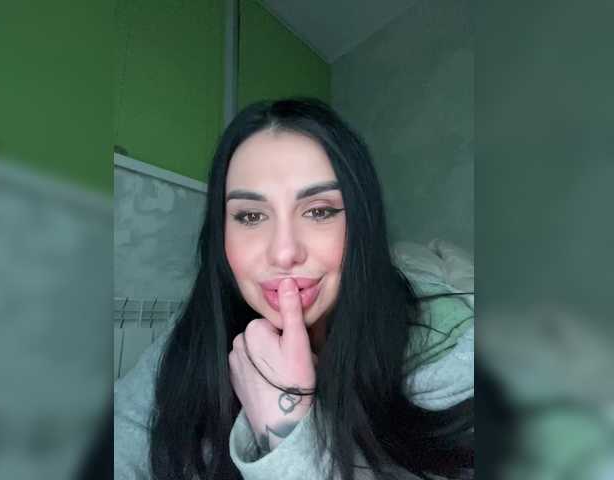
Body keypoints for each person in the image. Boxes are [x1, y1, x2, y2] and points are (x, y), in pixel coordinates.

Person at [114, 98, 474, 480]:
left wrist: (285, 433)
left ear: (362, 225)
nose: (284, 252)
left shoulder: (447, 353)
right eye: (250, 216)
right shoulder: (189, 336)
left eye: (319, 211)